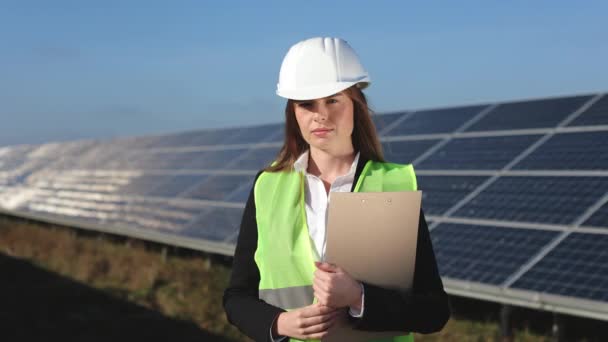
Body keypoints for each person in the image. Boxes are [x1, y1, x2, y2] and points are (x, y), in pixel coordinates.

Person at [223, 37, 450, 342]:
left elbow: (434, 310)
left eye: (333, 100)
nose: (321, 115)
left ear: (356, 105)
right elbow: (237, 297)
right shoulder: (268, 187)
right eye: (307, 104)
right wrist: (279, 323)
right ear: (293, 113)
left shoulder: (393, 185)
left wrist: (359, 297)